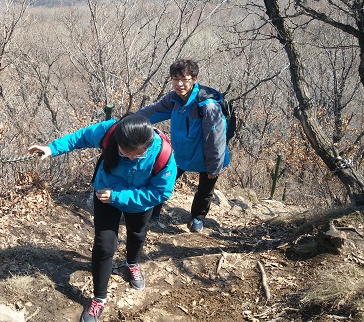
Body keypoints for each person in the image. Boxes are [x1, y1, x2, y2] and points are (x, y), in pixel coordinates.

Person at [28, 114, 177, 322]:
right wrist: (52, 148)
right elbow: (81, 137)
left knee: (137, 233)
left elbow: (161, 192)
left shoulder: (163, 154)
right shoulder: (111, 131)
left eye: (138, 155)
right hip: (105, 194)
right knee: (104, 245)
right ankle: (99, 298)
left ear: (148, 145)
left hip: (139, 201)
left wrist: (119, 196)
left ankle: (132, 264)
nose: (131, 158)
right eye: (125, 153)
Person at [136, 58, 230, 232]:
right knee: (162, 180)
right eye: (175, 79)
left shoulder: (208, 106)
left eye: (184, 79)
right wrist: (131, 120)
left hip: (206, 156)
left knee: (205, 190)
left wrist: (214, 166)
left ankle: (197, 218)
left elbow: (216, 140)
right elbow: (155, 109)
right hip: (181, 153)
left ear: (194, 79)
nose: (179, 84)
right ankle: (152, 213)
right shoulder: (174, 98)